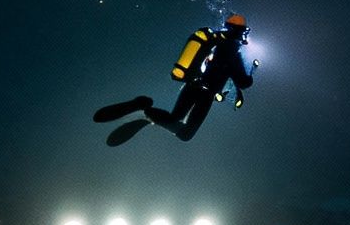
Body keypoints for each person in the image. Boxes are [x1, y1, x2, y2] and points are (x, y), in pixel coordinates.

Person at [95, 14, 256, 145]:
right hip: (206, 95)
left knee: (174, 118)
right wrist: (250, 73)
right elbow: (243, 82)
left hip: (191, 86)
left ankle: (143, 109)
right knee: (185, 133)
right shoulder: (233, 51)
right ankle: (146, 115)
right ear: (240, 31)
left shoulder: (213, 40)